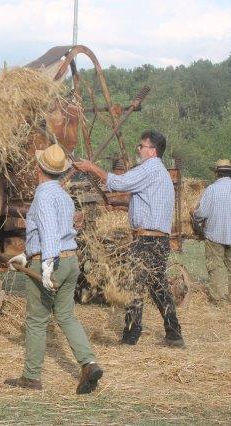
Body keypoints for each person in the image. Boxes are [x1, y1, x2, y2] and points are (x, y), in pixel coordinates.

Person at [5, 144, 103, 394]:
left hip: (52, 261)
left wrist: (47, 266)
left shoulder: (43, 196)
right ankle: (89, 363)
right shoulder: (63, 195)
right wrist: (25, 255)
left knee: (37, 320)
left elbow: (49, 234)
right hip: (70, 261)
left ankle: (31, 377)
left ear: (39, 168)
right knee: (66, 315)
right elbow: (56, 232)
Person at [73, 130, 184, 347]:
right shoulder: (160, 172)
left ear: (152, 151)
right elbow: (147, 204)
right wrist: (122, 206)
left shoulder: (149, 168)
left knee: (133, 285)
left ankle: (130, 337)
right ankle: (174, 334)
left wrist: (90, 167)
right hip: (158, 239)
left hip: (147, 241)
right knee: (158, 287)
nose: (138, 149)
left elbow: (119, 183)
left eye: (142, 146)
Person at [191, 160, 231, 306]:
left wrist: (193, 213)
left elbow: (202, 213)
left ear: (217, 173)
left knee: (215, 267)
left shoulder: (212, 189)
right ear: (230, 173)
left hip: (215, 235)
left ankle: (219, 300)